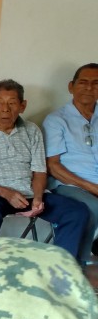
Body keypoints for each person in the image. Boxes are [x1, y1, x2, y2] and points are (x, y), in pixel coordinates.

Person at [0, 79, 87, 258]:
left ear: (22, 106)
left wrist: (37, 197)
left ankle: (60, 268)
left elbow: (39, 171)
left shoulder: (32, 130)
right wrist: (6, 193)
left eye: (12, 103)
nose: (5, 109)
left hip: (29, 193)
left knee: (76, 211)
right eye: (0, 103)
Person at [43, 63, 98, 262]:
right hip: (69, 185)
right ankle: (75, 272)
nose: (89, 88)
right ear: (71, 87)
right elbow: (53, 166)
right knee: (92, 208)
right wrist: (91, 187)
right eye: (83, 82)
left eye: (95, 83)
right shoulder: (57, 120)